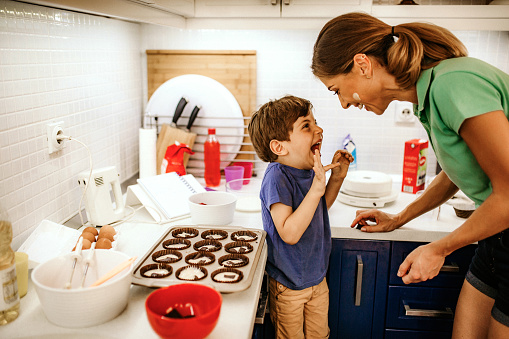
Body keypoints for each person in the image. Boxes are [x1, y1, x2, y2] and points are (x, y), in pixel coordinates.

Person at [311, 12, 509, 338]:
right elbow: (458, 170)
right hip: (497, 236)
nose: (344, 103)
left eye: (336, 90)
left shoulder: (453, 83)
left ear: (363, 65)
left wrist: (439, 248)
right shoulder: (427, 95)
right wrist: (398, 219)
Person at [248, 95, 353, 338]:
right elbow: (289, 232)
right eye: (307, 125)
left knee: (320, 335)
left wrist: (336, 179)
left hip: (316, 278)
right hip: (288, 285)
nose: (319, 129)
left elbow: (318, 208)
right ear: (279, 147)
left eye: (315, 122)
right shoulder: (277, 177)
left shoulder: (306, 171)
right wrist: (317, 187)